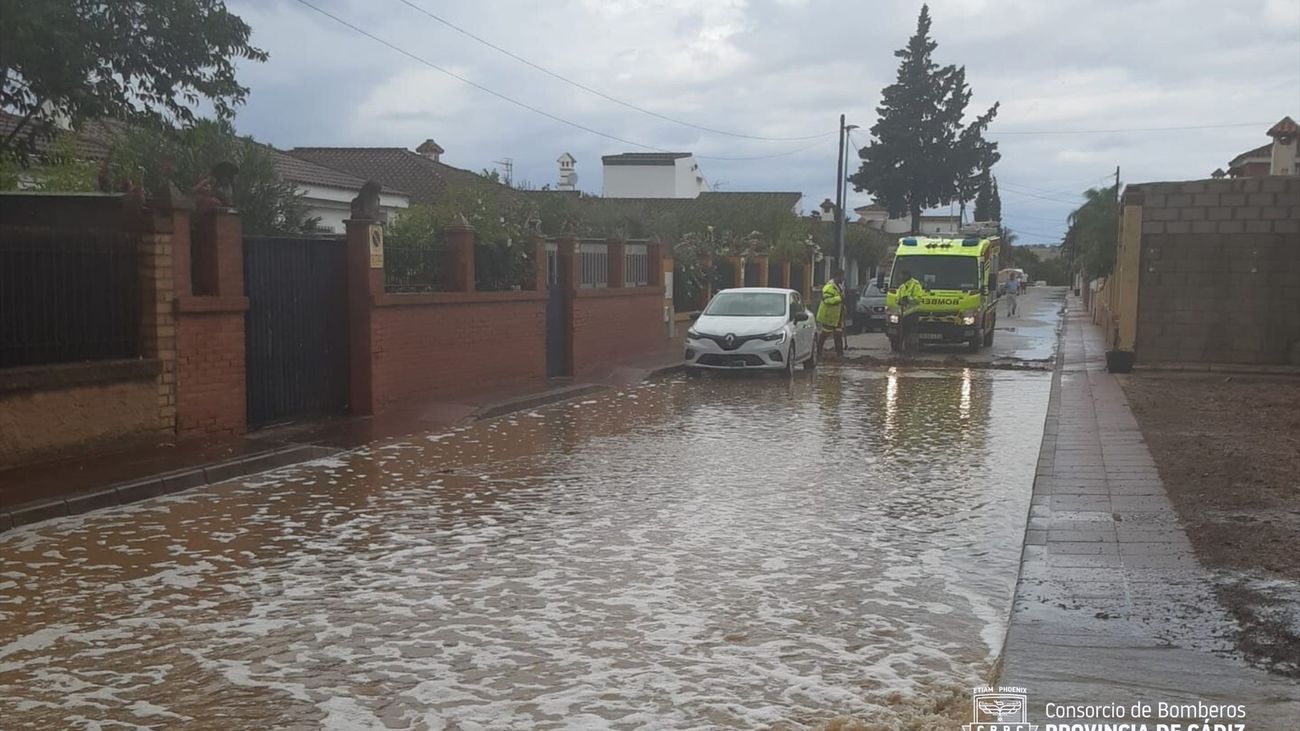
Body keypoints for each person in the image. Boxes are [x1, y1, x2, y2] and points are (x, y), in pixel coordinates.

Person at [816, 269, 846, 357]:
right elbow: (827, 300)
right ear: (837, 276)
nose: (843, 278)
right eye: (842, 276)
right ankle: (818, 351)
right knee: (825, 334)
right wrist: (839, 298)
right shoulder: (829, 287)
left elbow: (840, 300)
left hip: (837, 316)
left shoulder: (840, 287)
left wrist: (843, 307)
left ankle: (840, 354)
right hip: (828, 316)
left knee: (838, 334)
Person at [894, 269, 924, 351]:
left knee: (912, 334)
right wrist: (899, 301)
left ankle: (912, 351)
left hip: (912, 314)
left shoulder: (915, 285)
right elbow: (897, 298)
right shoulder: (901, 287)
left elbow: (918, 299)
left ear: (907, 275)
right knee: (903, 333)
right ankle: (904, 351)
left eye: (902, 276)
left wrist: (908, 299)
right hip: (903, 314)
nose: (901, 278)